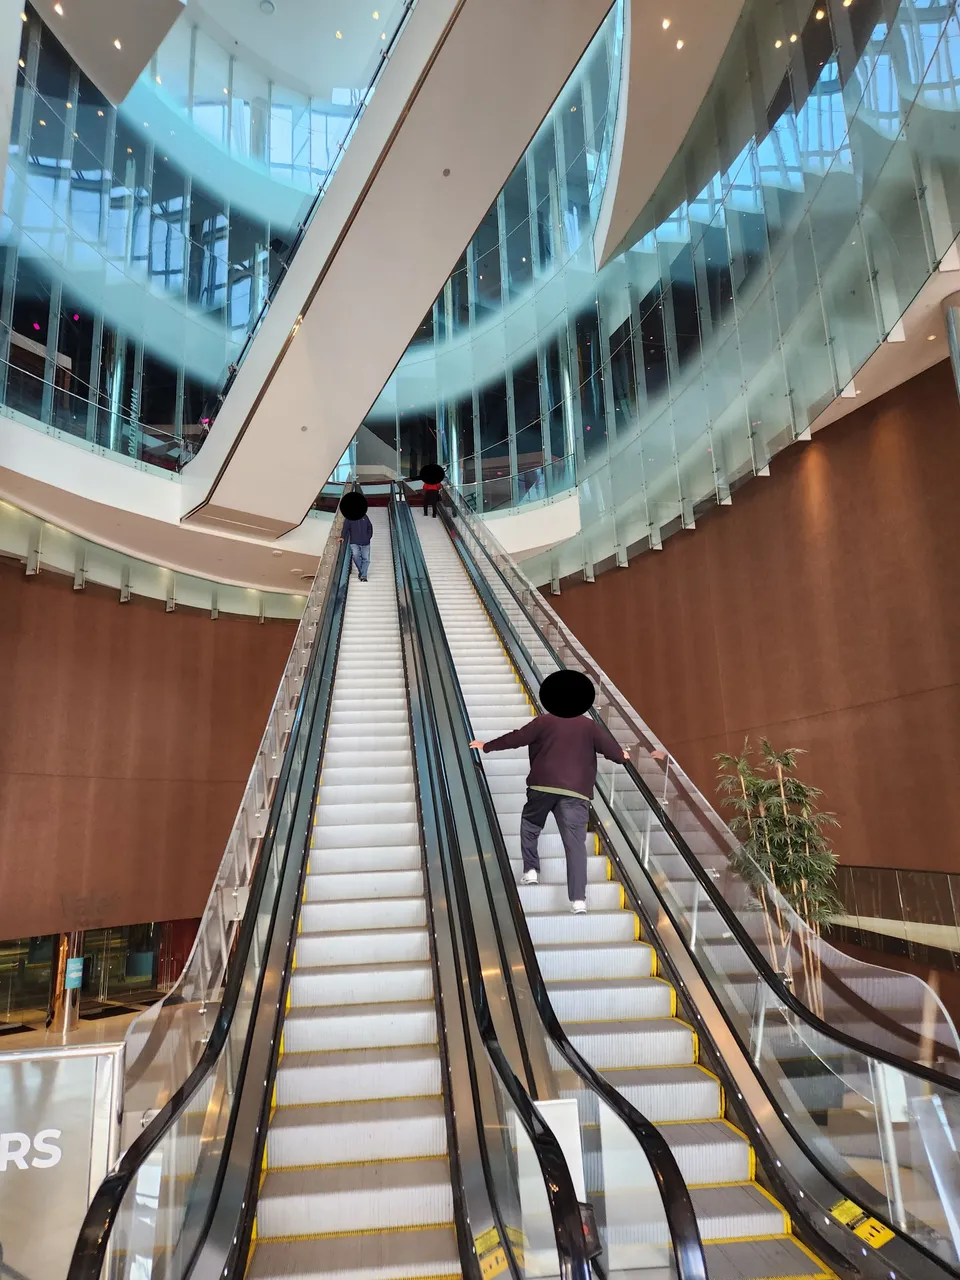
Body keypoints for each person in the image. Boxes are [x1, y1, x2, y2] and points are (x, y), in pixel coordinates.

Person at [470, 669, 631, 915]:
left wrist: (487, 746)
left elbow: (517, 738)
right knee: (575, 845)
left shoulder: (544, 721)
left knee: (531, 824)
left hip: (542, 785)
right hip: (576, 792)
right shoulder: (590, 726)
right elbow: (616, 754)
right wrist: (623, 756)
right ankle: (578, 900)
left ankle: (531, 871)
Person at [338, 491, 373, 581]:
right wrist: (342, 536)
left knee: (366, 559)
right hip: (354, 542)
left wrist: (368, 536)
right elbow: (345, 528)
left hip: (366, 542)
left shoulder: (365, 516)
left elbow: (370, 527)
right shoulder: (349, 518)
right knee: (356, 556)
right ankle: (362, 572)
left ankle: (363, 576)